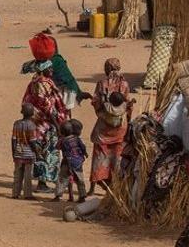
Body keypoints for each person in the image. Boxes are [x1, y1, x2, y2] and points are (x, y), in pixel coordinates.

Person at [23, 60, 69, 191]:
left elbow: (26, 101)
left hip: (37, 124)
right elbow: (48, 107)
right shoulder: (43, 84)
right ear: (44, 70)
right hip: (46, 126)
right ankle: (42, 183)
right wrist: (58, 125)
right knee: (46, 153)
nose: (52, 71)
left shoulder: (34, 83)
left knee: (41, 153)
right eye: (50, 69)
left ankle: (44, 181)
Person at [89, 58, 132, 195]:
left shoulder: (102, 83)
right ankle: (114, 185)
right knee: (117, 155)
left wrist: (103, 114)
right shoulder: (125, 84)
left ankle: (92, 187)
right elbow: (128, 104)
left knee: (99, 155)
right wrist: (125, 119)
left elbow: (96, 102)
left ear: (107, 69)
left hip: (104, 128)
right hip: (120, 127)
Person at [54, 119, 88, 203]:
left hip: (67, 163)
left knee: (62, 179)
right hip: (78, 162)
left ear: (62, 132)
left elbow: (58, 148)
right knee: (80, 179)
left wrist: (60, 138)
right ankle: (82, 196)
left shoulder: (63, 141)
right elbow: (83, 147)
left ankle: (58, 196)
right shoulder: (76, 138)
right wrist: (85, 153)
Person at [11, 103, 38, 200]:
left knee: (17, 175)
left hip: (18, 152)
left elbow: (13, 139)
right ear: (32, 113)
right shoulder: (32, 125)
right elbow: (32, 141)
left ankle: (15, 193)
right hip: (29, 154)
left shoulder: (16, 124)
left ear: (22, 112)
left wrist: (13, 152)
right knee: (28, 176)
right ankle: (27, 194)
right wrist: (37, 152)